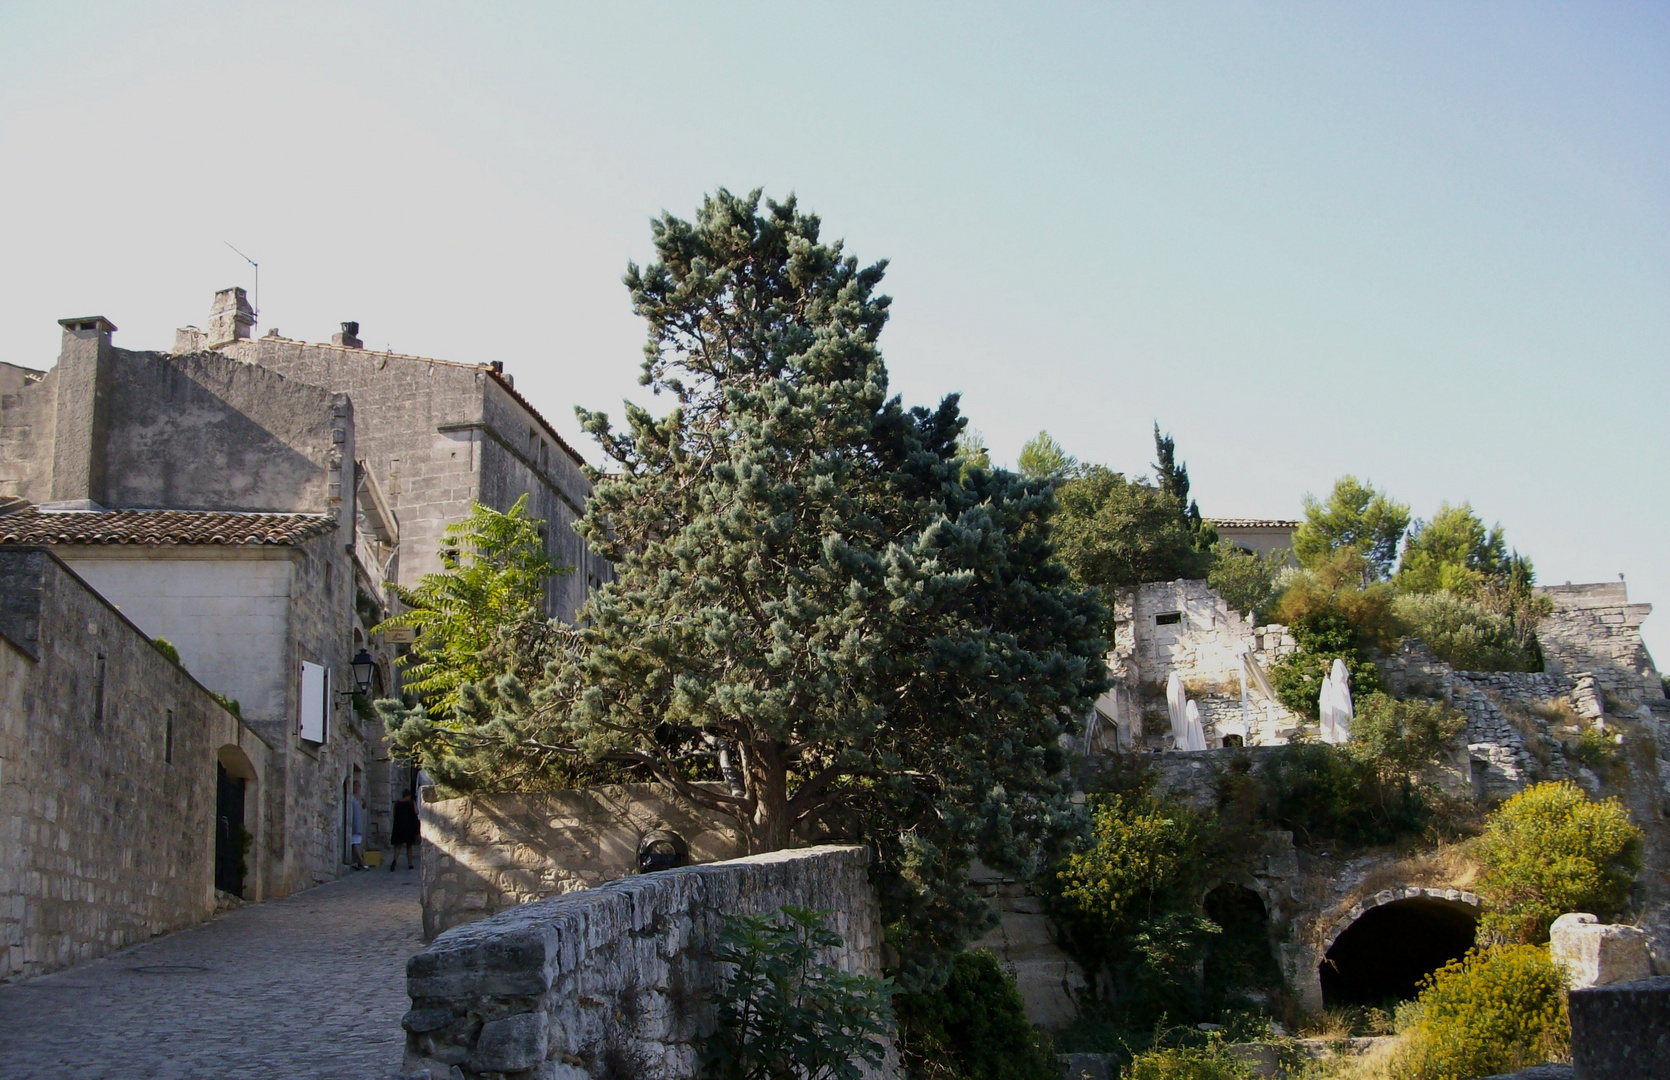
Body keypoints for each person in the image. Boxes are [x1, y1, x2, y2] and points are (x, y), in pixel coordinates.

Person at [389, 787, 420, 871]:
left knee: (397, 846)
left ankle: (394, 861)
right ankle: (410, 863)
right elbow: (417, 812)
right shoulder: (411, 803)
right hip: (409, 826)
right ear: (409, 796)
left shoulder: (397, 803)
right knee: (409, 846)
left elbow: (394, 813)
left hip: (399, 826)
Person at [348, 780, 367, 871]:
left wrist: (364, 802)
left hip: (358, 823)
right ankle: (361, 861)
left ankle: (360, 861)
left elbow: (364, 807)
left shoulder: (359, 798)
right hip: (353, 823)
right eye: (354, 786)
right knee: (355, 842)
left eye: (358, 786)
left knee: (358, 843)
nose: (356, 788)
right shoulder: (350, 798)